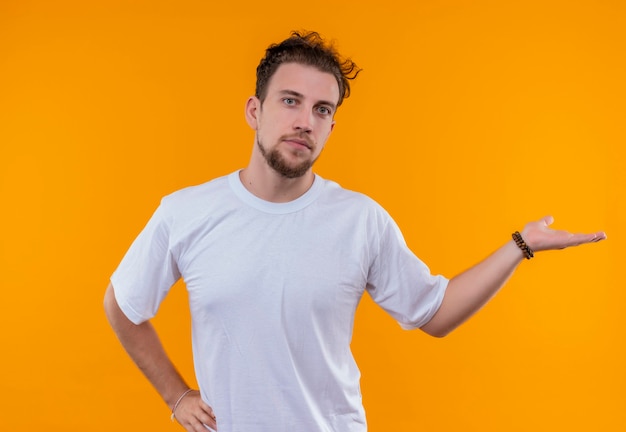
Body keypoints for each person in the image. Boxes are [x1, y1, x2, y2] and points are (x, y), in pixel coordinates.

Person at [103, 31, 606, 432]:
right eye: (291, 101)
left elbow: (435, 313)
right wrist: (177, 396)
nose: (305, 121)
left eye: (322, 110)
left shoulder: (359, 219)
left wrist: (521, 245)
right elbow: (122, 306)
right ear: (255, 111)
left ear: (331, 128)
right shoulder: (187, 212)